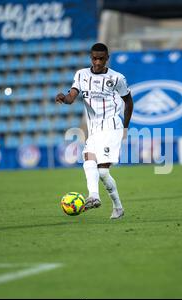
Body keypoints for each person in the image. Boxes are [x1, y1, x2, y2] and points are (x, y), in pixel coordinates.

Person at [55, 43, 134, 219]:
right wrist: (64, 98)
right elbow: (71, 96)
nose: (97, 62)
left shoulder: (117, 78)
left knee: (103, 171)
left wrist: (126, 127)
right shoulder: (81, 75)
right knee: (89, 161)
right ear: (90, 58)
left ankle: (95, 197)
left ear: (107, 58)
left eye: (101, 59)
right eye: (94, 58)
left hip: (112, 126)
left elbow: (128, 102)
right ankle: (109, 204)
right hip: (95, 129)